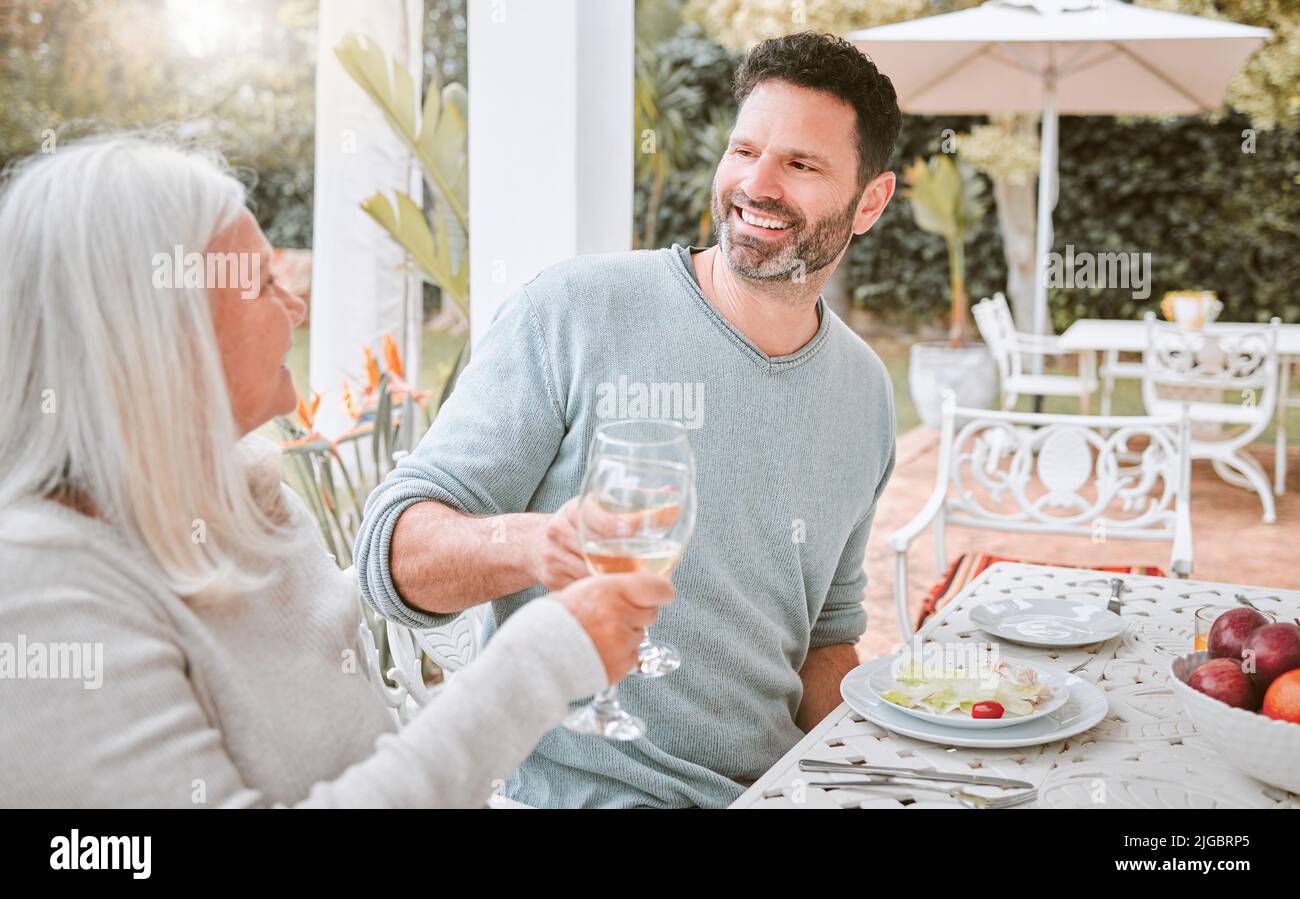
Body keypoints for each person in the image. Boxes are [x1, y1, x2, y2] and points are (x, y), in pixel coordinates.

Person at [0, 134, 672, 808]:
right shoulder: (42, 591)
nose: (294, 307)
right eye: (263, 282)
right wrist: (540, 662)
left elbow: (366, 756)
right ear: (156, 329)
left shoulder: (253, 502)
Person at [356, 32, 900, 808]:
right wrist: (539, 545)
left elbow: (825, 639)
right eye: (745, 150)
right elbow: (391, 552)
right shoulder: (575, 310)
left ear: (870, 201)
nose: (757, 183)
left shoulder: (866, 392)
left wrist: (878, 764)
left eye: (801, 164)